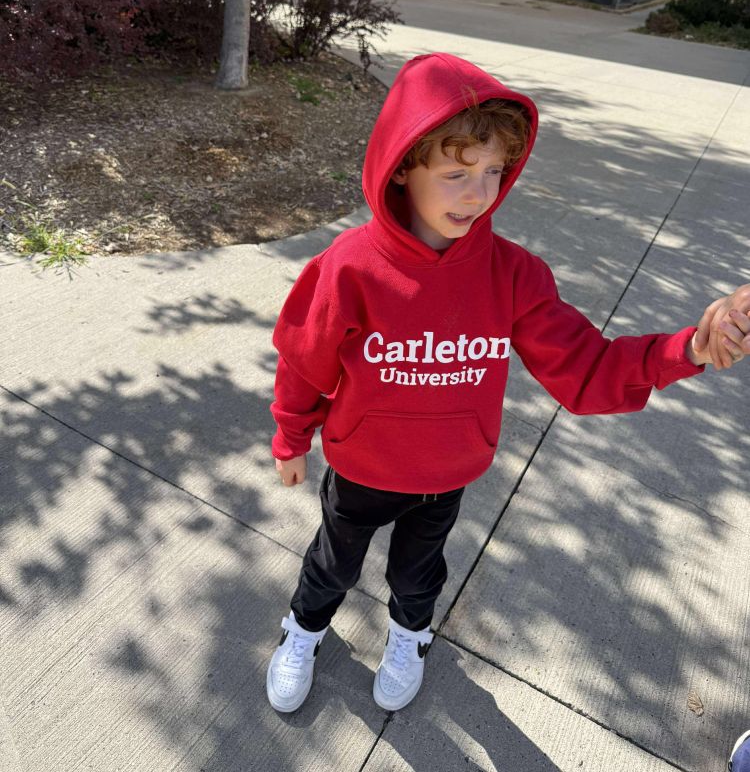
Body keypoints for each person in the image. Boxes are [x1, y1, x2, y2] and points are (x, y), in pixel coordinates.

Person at [265, 52, 749, 714]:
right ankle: (303, 629)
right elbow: (304, 360)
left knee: (418, 575)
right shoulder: (350, 268)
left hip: (445, 475)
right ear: (402, 166)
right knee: (333, 564)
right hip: (362, 468)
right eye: (456, 174)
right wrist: (291, 437)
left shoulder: (513, 275)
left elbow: (588, 369)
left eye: (493, 172)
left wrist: (689, 347)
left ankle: (410, 637)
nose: (479, 193)